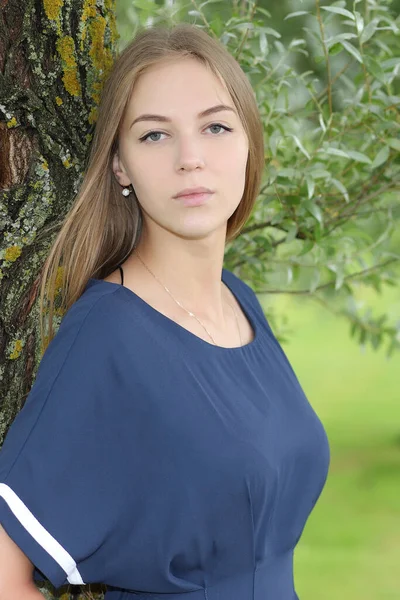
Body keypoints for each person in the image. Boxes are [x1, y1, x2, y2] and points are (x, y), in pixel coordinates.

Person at [0, 22, 330, 600]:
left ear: (249, 144)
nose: (190, 159)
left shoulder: (238, 300)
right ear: (120, 166)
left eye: (216, 127)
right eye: (155, 136)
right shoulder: (107, 335)